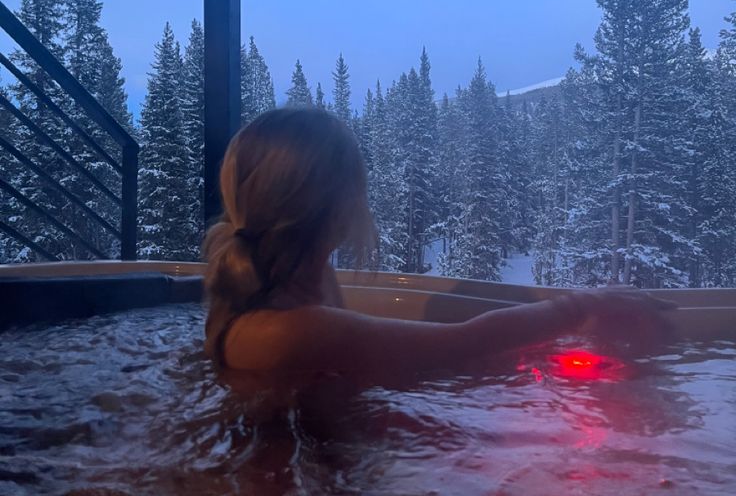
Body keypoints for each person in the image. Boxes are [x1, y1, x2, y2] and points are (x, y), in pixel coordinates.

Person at [204, 108, 673, 379]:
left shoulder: (306, 280)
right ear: (334, 209)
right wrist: (579, 306)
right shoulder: (285, 333)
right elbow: (460, 344)